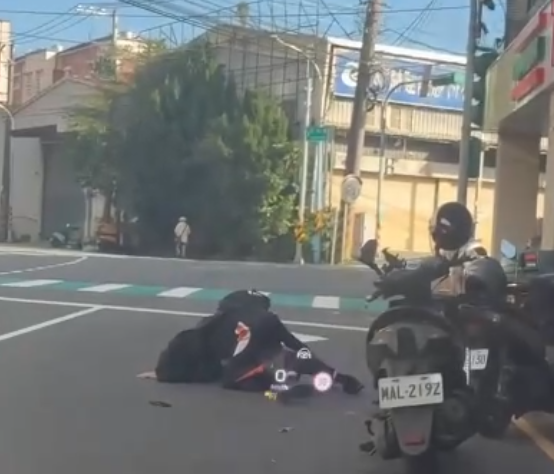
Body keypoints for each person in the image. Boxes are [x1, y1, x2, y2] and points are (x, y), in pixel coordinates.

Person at [147, 290, 364, 397]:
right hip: (268, 357)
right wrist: (329, 371)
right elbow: (298, 346)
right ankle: (338, 379)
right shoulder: (269, 318)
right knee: (294, 358)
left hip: (244, 368)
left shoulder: (216, 322)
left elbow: (191, 346)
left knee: (232, 378)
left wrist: (163, 372)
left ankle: (275, 384)